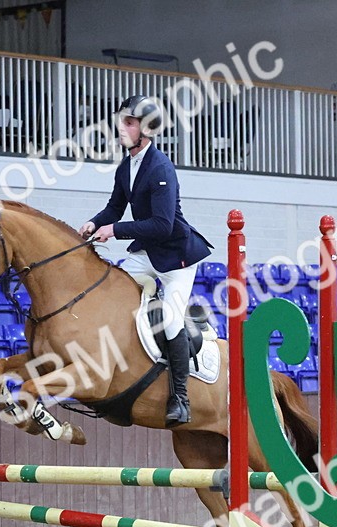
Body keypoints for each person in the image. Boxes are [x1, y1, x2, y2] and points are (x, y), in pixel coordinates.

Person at [79, 95, 212, 427]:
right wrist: (94, 223)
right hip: (146, 254)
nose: (121, 128)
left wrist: (115, 230)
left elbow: (163, 225)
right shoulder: (126, 167)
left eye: (129, 122)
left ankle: (180, 398)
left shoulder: (160, 168)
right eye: (121, 122)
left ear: (147, 128)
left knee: (170, 320)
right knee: (110, 289)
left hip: (176, 259)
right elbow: (115, 208)